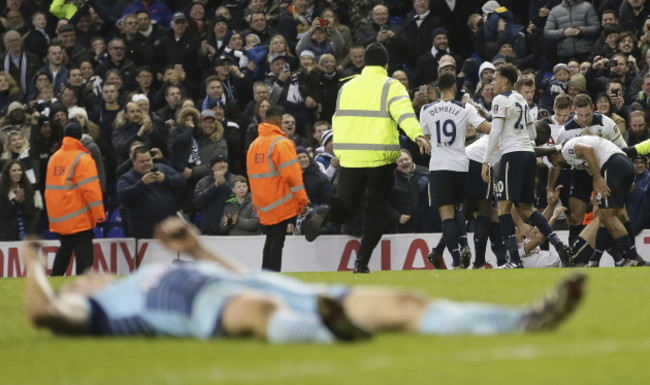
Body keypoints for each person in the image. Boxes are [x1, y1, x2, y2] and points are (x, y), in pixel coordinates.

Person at [23, 216, 587, 341]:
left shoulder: (141, 274)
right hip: (215, 311)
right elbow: (44, 313)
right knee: (259, 315)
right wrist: (33, 264)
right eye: (79, 280)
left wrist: (196, 248)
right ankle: (332, 331)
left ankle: (521, 319)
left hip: (284, 289)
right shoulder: (107, 308)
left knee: (404, 298)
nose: (90, 276)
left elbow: (242, 272)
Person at [301, 43, 431, 274]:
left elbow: (337, 120)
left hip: (350, 159)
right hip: (379, 160)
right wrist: (418, 135)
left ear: (365, 63)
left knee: (346, 208)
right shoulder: (391, 85)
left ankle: (324, 212)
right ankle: (361, 262)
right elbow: (405, 114)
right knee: (376, 213)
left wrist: (339, 152)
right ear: (385, 64)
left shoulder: (346, 87)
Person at [481, 64, 573, 269]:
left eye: (495, 79)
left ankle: (514, 260)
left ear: (505, 81)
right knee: (527, 208)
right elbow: (532, 134)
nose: (492, 82)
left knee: (503, 208)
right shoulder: (521, 100)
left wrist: (486, 161)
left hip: (511, 155)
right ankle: (559, 245)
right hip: (529, 155)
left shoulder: (500, 99)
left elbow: (494, 132)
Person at [420, 72, 491, 269]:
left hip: (439, 166)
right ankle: (463, 249)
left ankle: (457, 259)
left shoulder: (426, 109)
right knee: (458, 209)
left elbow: (424, 138)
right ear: (454, 87)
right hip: (460, 166)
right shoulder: (464, 107)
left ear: (437, 89)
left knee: (447, 216)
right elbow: (486, 128)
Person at [542, 136, 645, 267]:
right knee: (618, 214)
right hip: (623, 164)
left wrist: (597, 178)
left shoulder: (567, 149)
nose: (558, 167)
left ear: (554, 157)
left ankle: (632, 256)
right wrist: (597, 201)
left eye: (555, 164)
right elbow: (593, 171)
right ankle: (598, 259)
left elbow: (588, 150)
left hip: (613, 165)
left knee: (607, 217)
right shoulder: (580, 161)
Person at [247, 106, 309, 272]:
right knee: (277, 242)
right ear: (276, 120)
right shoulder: (281, 143)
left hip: (262, 202)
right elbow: (292, 176)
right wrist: (303, 200)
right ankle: (273, 278)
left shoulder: (254, 145)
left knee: (270, 240)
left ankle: (265, 276)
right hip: (280, 200)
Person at [44, 121, 105, 276]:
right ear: (80, 136)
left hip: (59, 218)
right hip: (79, 218)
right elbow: (91, 191)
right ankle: (81, 289)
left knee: (64, 250)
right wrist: (99, 215)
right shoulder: (83, 159)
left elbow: (50, 190)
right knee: (84, 258)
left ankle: (54, 281)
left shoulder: (53, 158)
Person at [116, 145, 185, 239]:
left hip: (169, 228)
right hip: (143, 233)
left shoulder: (163, 168)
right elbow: (123, 196)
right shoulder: (126, 178)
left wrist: (166, 179)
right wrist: (141, 183)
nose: (146, 164)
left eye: (148, 160)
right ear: (134, 162)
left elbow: (182, 180)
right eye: (142, 161)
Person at [0, 159, 40, 240]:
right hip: (8, 236)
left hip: (27, 235)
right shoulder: (2, 191)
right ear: (8, 173)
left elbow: (31, 214)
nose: (17, 173)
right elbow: (3, 214)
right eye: (14, 171)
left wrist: (23, 202)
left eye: (19, 170)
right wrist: (14, 201)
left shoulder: (28, 189)